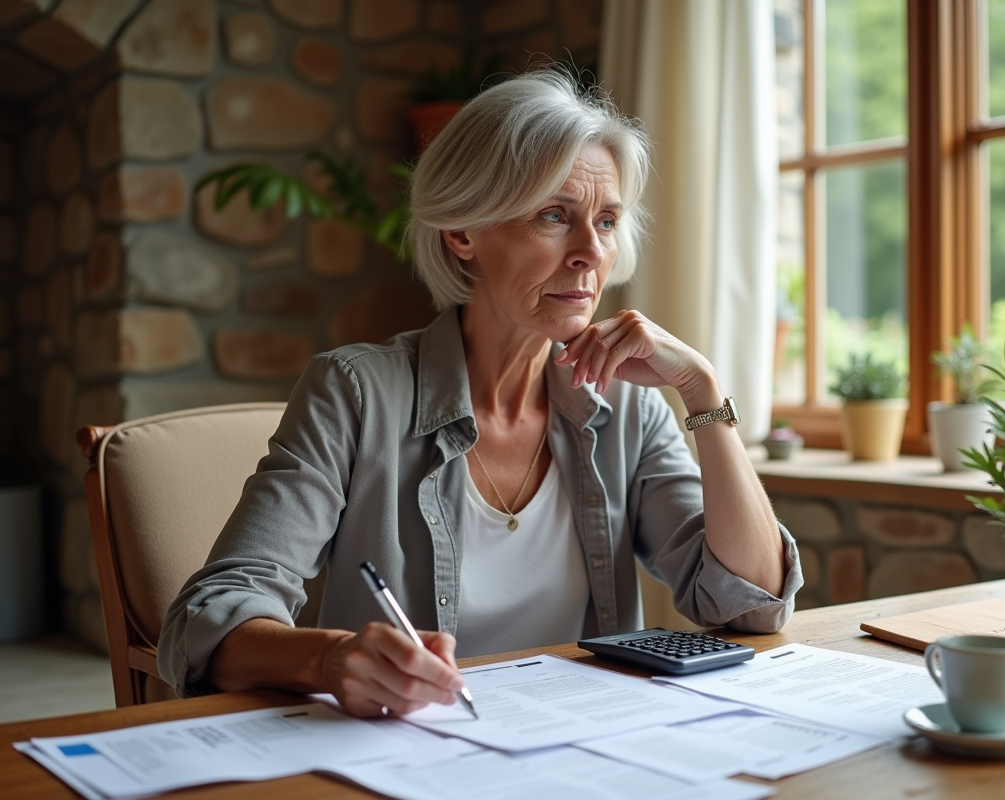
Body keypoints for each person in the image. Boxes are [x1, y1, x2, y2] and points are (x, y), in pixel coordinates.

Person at [159, 69, 803, 719]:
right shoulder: (355, 393)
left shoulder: (630, 409)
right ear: (462, 233)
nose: (590, 251)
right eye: (554, 215)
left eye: (607, 220)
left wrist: (701, 390)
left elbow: (749, 604)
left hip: (586, 740)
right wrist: (332, 659)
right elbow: (210, 618)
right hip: (411, 747)